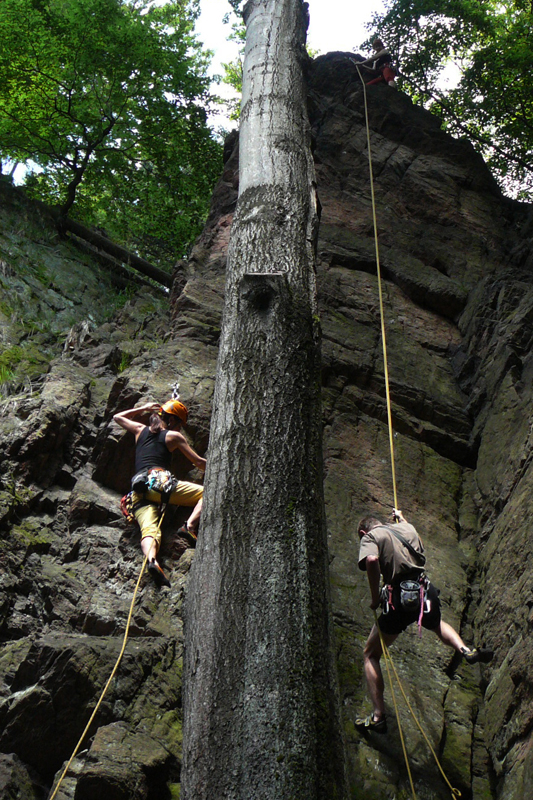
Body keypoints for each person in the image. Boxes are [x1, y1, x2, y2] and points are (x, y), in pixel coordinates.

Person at [355, 509, 493, 734]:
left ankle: (379, 715)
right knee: (438, 625)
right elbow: (408, 528)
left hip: (398, 597)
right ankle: (465, 649)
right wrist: (400, 516)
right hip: (423, 591)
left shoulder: (371, 536)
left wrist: (374, 597)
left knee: (370, 654)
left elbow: (371, 559)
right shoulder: (407, 528)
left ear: (363, 531)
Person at [114, 399, 206, 588]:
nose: (180, 429)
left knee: (149, 531)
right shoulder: (172, 436)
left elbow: (117, 417)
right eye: (180, 424)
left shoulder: (140, 430)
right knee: (208, 493)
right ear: (173, 421)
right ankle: (189, 526)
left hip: (138, 491)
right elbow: (198, 462)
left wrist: (143, 409)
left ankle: (152, 560)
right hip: (159, 484)